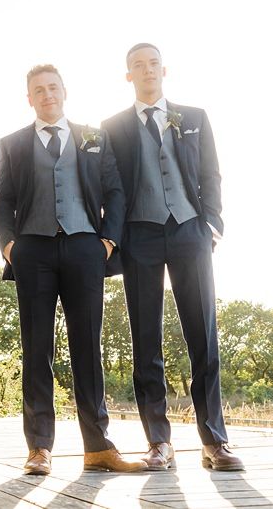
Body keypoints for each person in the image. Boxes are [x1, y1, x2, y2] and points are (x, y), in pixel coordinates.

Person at [0, 64, 145, 475]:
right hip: (33, 252)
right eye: (39, 90)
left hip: (84, 249)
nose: (47, 95)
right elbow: (3, 201)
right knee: (37, 349)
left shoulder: (93, 136)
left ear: (65, 91)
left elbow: (114, 191)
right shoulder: (13, 144)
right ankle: (39, 447)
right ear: (30, 98)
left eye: (53, 88)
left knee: (87, 348)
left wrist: (107, 241)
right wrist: (10, 246)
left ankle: (97, 446)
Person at [102, 43, 244, 472]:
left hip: (189, 231)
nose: (146, 71)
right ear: (128, 75)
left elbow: (210, 172)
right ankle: (159, 441)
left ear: (165, 70)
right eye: (137, 66)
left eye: (152, 64)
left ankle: (214, 441)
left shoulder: (194, 117)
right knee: (146, 340)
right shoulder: (112, 127)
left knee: (204, 335)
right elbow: (111, 184)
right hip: (140, 235)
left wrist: (212, 223)